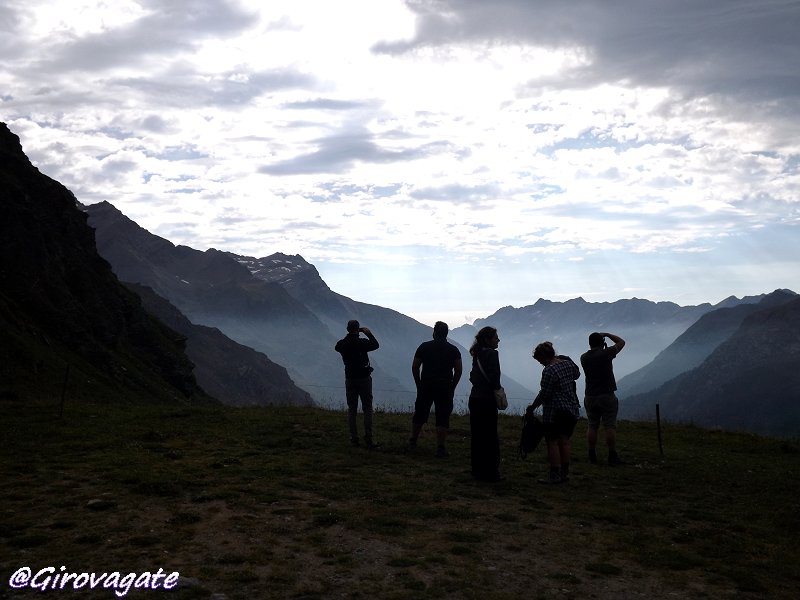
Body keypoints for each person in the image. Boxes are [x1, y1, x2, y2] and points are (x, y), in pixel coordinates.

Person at [408, 321, 463, 457]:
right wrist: (452, 386)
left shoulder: (424, 347)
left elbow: (415, 366)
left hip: (426, 384)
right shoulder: (453, 350)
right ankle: (440, 447)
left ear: (434, 332)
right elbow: (459, 370)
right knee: (443, 416)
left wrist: (418, 384)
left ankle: (413, 441)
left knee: (420, 413)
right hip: (445, 386)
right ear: (446, 333)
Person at [530, 341, 581, 484]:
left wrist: (533, 407)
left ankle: (554, 474)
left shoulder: (549, 370)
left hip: (554, 411)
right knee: (565, 441)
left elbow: (545, 393)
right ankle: (564, 473)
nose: (540, 363)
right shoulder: (568, 364)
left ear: (543, 356)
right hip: (571, 408)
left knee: (552, 442)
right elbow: (577, 375)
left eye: (539, 359)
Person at [580, 332, 626, 465]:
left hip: (590, 395)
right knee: (609, 425)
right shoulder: (606, 354)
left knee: (592, 425)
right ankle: (612, 455)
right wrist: (607, 334)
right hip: (606, 394)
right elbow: (621, 342)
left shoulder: (583, 357)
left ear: (589, 343)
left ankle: (591, 454)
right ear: (601, 342)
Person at [334, 320, 380, 448]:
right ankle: (369, 438)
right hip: (364, 378)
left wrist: (349, 335)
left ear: (348, 329)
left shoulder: (343, 344)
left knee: (352, 409)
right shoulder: (362, 343)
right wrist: (368, 333)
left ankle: (354, 438)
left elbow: (337, 346)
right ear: (358, 329)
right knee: (367, 408)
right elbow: (376, 345)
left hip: (350, 378)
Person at [467, 326, 503, 482]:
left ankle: (477, 470)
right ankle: (491, 472)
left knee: (477, 435)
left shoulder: (477, 354)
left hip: (475, 398)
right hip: (487, 400)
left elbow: (473, 376)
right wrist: (499, 390)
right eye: (496, 338)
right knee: (490, 436)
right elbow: (495, 378)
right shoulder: (492, 354)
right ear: (488, 340)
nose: (498, 340)